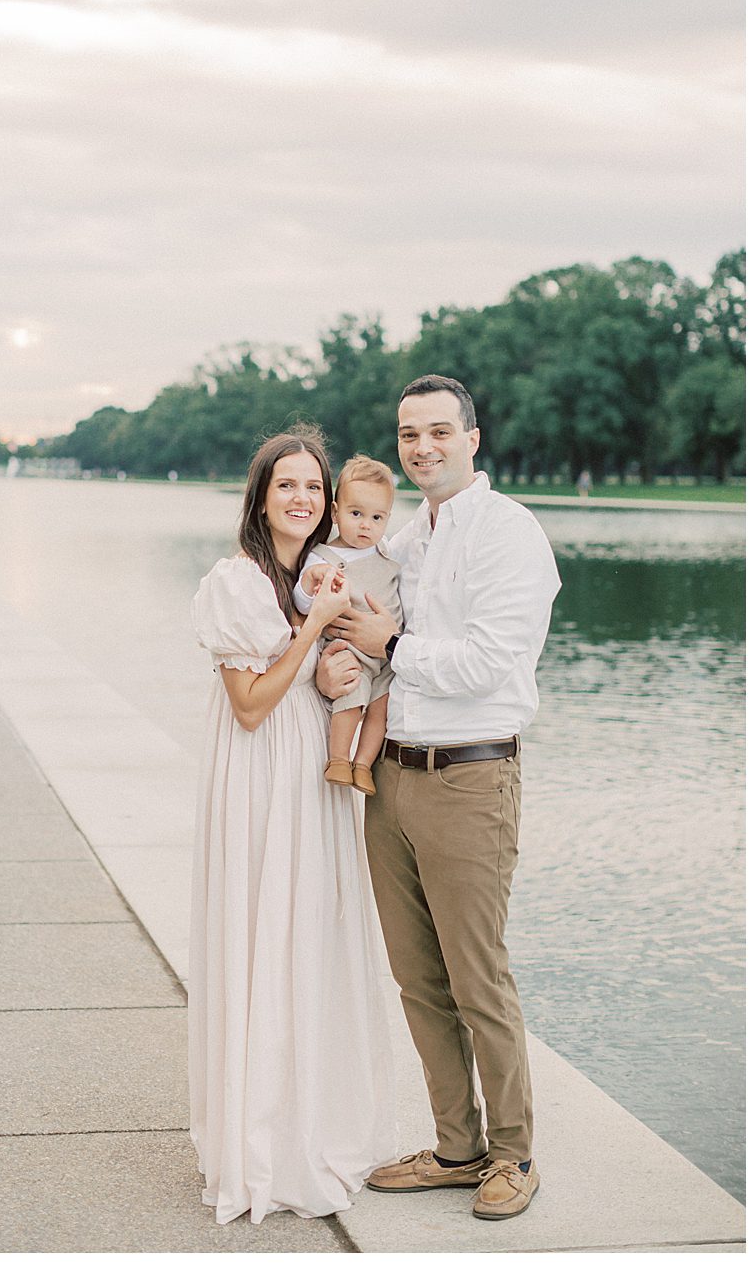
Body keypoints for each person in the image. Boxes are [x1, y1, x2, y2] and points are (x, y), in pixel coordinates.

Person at [318, 376, 560, 1222]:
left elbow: (489, 662)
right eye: (407, 434)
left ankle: (514, 1151)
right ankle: (457, 1145)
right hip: (392, 778)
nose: (421, 447)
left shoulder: (511, 534)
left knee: (476, 975)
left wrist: (395, 640)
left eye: (438, 432)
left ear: (473, 438)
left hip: (470, 776)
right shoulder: (410, 539)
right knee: (418, 979)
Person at [189, 426, 397, 1226]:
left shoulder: (319, 574)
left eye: (314, 486)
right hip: (259, 783)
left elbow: (318, 675)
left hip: (310, 777)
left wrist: (334, 669)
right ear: (261, 495)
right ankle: (258, 1139)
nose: (303, 498)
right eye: (287, 485)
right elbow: (248, 707)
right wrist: (317, 638)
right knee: (262, 937)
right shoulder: (237, 582)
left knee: (310, 942)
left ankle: (311, 1117)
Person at [292, 455, 402, 797]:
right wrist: (310, 583)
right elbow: (303, 603)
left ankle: (363, 764)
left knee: (382, 707)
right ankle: (339, 758)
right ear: (336, 512)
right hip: (348, 651)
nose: (365, 525)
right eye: (356, 514)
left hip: (387, 655)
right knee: (351, 700)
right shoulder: (322, 557)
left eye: (376, 518)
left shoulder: (386, 554)